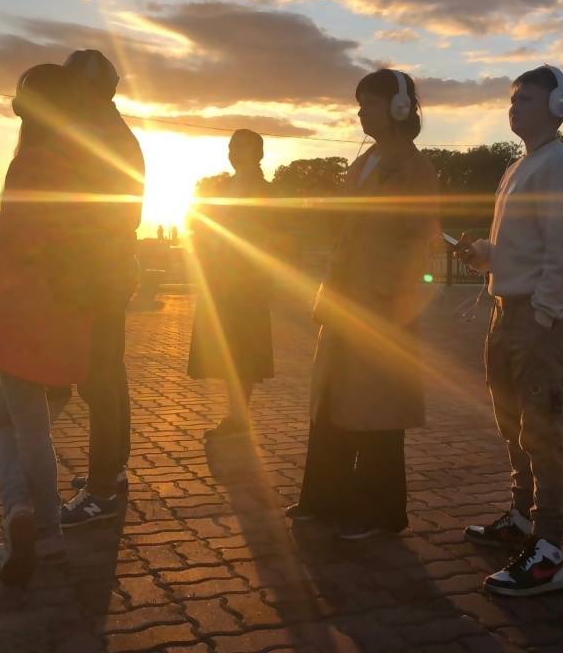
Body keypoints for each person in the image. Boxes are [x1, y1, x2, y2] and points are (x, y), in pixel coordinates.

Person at [286, 69, 438, 540]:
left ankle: (379, 512)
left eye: (369, 103)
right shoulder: (366, 161)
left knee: (377, 410)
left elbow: (419, 240)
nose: (360, 112)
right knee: (332, 399)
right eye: (360, 103)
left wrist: (389, 297)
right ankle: (324, 498)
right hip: (346, 299)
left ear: (398, 108)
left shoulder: (414, 168)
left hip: (381, 305)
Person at [458, 65, 563, 596]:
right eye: (513, 99)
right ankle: (520, 517)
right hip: (506, 310)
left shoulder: (560, 168)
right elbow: (521, 248)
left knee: (542, 429)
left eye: (527, 99)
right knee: (511, 422)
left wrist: (542, 317)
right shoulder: (520, 167)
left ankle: (550, 549)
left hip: (537, 318)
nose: (514, 107)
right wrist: (483, 255)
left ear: (558, 106)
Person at [0, 64, 94, 587]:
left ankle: (26, 516)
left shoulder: (28, 165)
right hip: (64, 314)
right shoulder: (80, 167)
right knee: (22, 422)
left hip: (21, 312)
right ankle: (40, 528)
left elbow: (22, 242)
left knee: (14, 427)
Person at [58, 50, 146, 528]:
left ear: (89, 88)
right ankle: (112, 469)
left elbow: (99, 213)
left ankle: (101, 490)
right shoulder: (112, 132)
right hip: (108, 270)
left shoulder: (101, 136)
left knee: (98, 379)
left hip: (98, 272)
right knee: (109, 373)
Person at [187, 129, 274, 438]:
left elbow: (269, 236)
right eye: (232, 146)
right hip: (221, 277)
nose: (234, 152)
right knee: (229, 348)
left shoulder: (265, 191)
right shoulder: (224, 187)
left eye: (242, 147)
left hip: (246, 280)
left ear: (258, 154)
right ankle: (236, 415)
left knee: (243, 350)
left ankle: (239, 418)